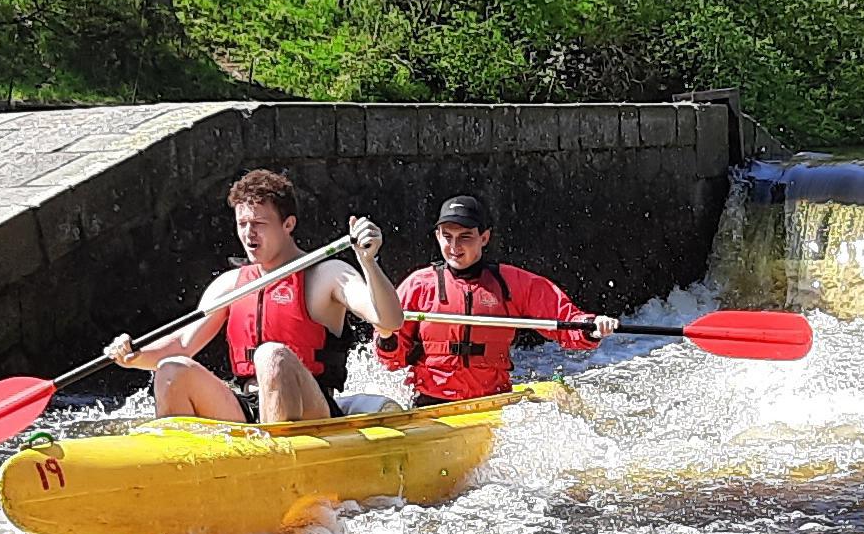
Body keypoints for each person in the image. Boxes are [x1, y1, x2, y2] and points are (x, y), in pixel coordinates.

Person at [106, 168, 405, 425]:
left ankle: (277, 466)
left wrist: (368, 262)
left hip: (311, 409)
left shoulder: (326, 274)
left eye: (259, 224)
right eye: (242, 224)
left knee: (270, 354)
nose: (249, 234)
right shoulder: (231, 284)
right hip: (250, 408)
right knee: (172, 370)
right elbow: (183, 344)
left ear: (288, 225)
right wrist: (134, 355)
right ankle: (176, 473)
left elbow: (390, 320)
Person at [376, 193, 610, 405]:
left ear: (484, 238)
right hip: (432, 402)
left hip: (493, 402)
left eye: (465, 237)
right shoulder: (418, 285)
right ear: (437, 236)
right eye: (447, 237)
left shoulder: (510, 282)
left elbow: (564, 320)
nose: (455, 247)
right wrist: (386, 337)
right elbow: (391, 359)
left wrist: (591, 328)